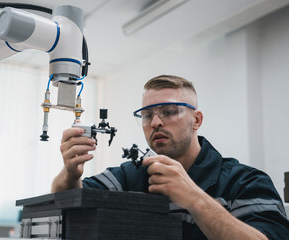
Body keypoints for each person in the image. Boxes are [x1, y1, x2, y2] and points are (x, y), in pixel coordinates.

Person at [51, 75, 289, 239]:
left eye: (169, 111)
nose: (155, 122)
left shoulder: (245, 182)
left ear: (196, 120)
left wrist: (194, 198)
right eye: (146, 115)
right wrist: (70, 174)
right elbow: (64, 207)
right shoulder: (128, 176)